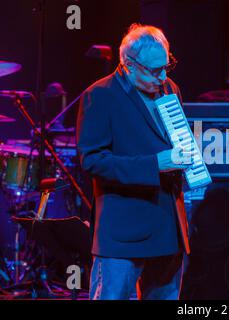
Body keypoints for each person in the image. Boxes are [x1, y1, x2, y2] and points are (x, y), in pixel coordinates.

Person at [76, 23, 192, 300]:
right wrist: (154, 164)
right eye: (155, 70)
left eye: (167, 66)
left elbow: (177, 142)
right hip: (122, 233)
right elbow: (93, 160)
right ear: (128, 64)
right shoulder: (100, 95)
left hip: (168, 226)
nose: (162, 75)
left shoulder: (169, 88)